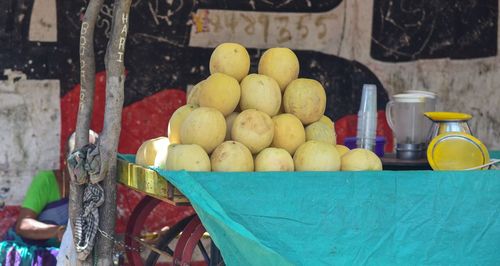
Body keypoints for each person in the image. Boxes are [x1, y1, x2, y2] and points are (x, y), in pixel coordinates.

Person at [0, 130, 98, 265]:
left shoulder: (95, 190)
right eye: (78, 157)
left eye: (90, 158)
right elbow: (23, 225)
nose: (83, 164)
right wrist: (59, 231)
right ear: (66, 157)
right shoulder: (46, 180)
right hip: (28, 251)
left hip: (63, 253)